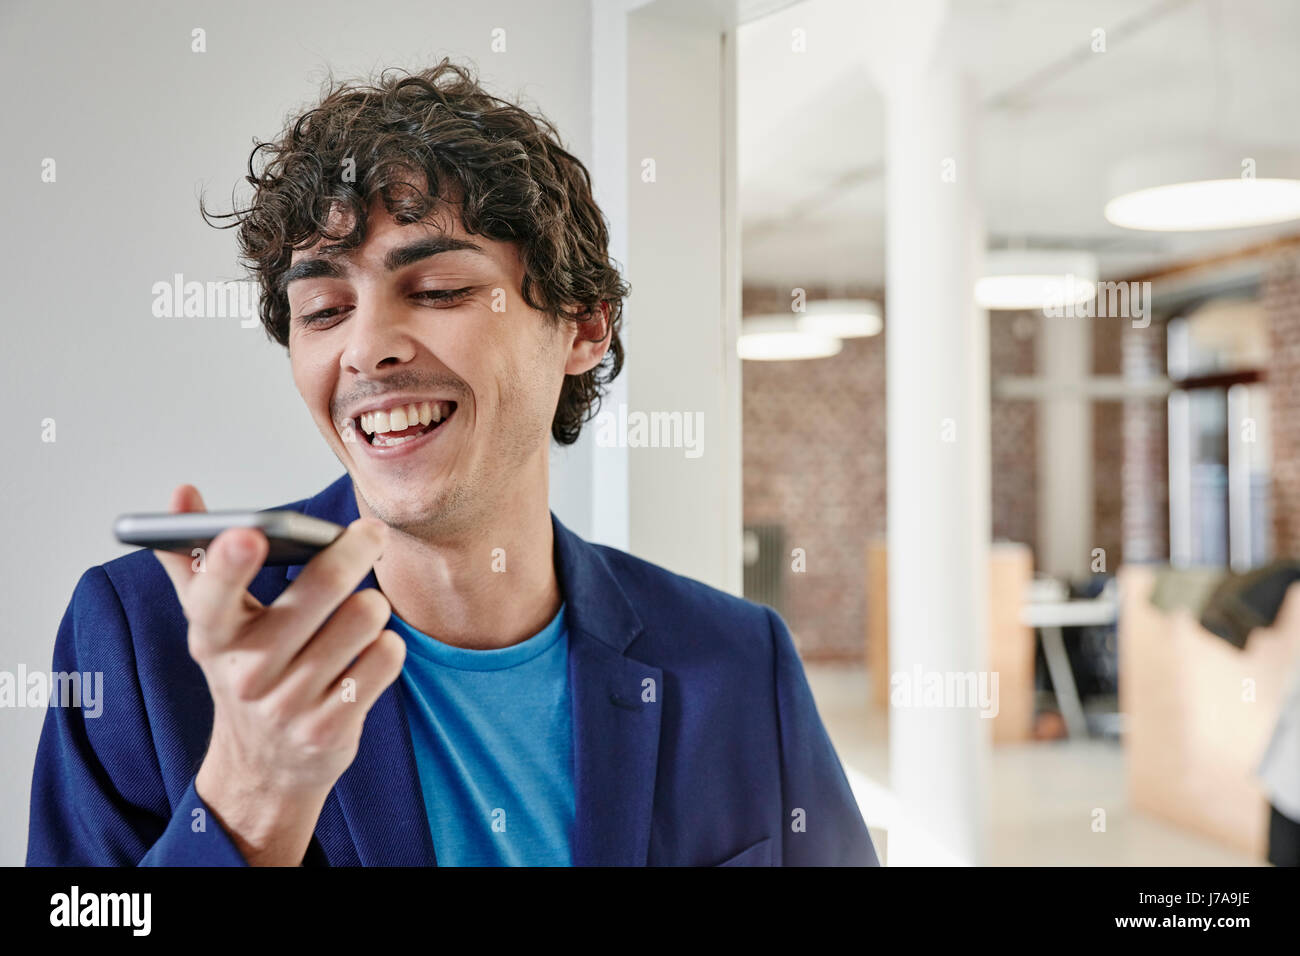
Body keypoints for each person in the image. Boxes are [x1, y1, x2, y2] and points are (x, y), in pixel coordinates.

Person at [26, 58, 877, 867]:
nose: (367, 350)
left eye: (437, 292)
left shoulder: (736, 660)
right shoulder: (140, 642)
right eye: (323, 309)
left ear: (584, 327)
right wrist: (250, 799)